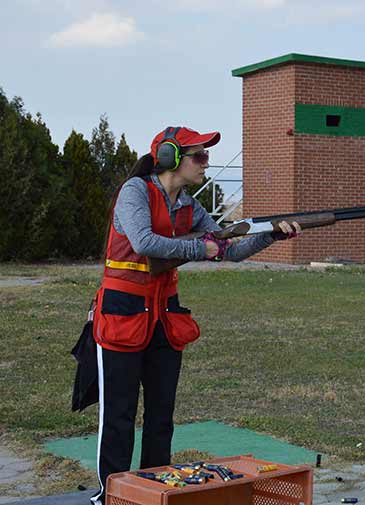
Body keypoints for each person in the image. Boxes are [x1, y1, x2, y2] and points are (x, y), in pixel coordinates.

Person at [86, 126, 301, 505]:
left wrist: (271, 234)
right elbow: (144, 242)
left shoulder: (188, 204)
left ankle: (152, 495)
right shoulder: (135, 191)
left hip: (165, 319)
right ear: (170, 158)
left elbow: (227, 249)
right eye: (199, 156)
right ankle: (111, 497)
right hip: (123, 315)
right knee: (118, 419)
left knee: (161, 419)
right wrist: (204, 248)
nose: (206, 163)